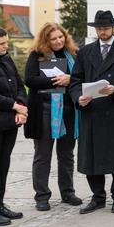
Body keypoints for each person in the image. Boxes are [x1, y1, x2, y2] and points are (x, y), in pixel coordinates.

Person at [69, 10, 114, 215]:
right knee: (92, 157)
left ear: (113, 28)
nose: (102, 32)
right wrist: (78, 98)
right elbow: (75, 81)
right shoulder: (85, 52)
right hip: (91, 112)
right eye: (99, 29)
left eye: (106, 28)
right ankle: (98, 196)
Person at [24, 23, 83, 211]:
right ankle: (42, 196)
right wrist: (57, 79)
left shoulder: (73, 54)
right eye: (53, 38)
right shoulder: (37, 55)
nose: (58, 41)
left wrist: (70, 78)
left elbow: (83, 77)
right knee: (43, 155)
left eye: (61, 37)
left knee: (67, 155)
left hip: (69, 110)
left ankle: (68, 192)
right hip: (45, 110)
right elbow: (30, 79)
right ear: (45, 40)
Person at [0, 22, 28, 226]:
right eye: (1, 44)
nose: (5, 47)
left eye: (7, 43)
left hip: (10, 121)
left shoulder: (6, 59)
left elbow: (19, 84)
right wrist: (13, 106)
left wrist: (20, 106)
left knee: (3, 165)